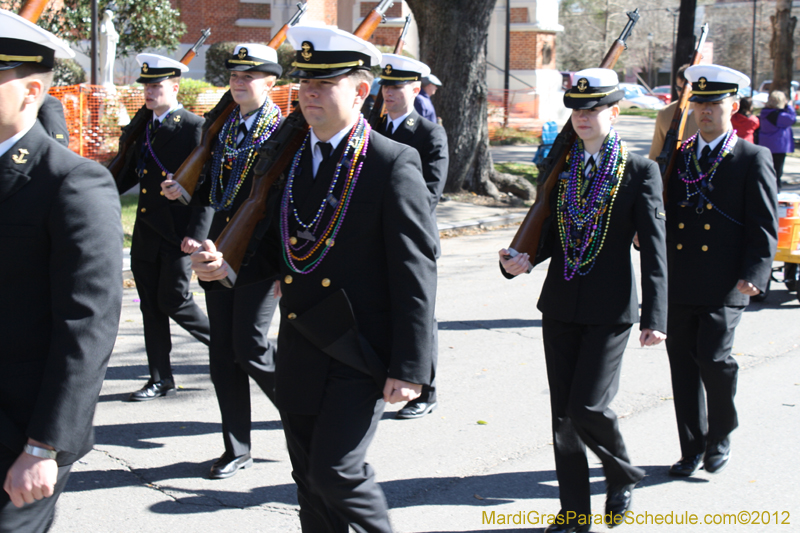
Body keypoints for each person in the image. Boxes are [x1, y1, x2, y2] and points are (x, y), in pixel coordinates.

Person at [188, 26, 437, 532]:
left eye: (325, 84)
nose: (310, 94)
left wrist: (412, 365)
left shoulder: (392, 162)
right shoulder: (292, 159)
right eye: (305, 84)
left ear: (360, 91)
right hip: (302, 341)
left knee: (337, 474)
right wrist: (226, 267)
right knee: (308, 481)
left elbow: (416, 271)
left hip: (359, 348)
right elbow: (278, 246)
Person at [499, 68, 668, 532]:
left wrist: (655, 316)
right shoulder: (564, 168)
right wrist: (522, 260)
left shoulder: (639, 171)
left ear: (614, 112)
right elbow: (552, 232)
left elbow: (654, 248)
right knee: (562, 417)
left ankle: (621, 471)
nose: (583, 117)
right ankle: (574, 513)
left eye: (593, 109)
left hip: (611, 309)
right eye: (577, 109)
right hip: (560, 305)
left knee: (588, 406)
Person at [0, 10, 123, 532]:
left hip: (20, 432)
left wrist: (44, 444)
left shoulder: (73, 182)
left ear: (31, 92)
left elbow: (87, 324)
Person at [162, 43, 284, 479]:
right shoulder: (224, 127)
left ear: (271, 82)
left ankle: (300, 410)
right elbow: (217, 191)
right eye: (234, 75)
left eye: (248, 76)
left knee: (249, 346)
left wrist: (283, 268)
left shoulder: (283, 131)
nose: (238, 82)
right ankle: (237, 447)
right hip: (217, 251)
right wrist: (190, 205)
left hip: (258, 256)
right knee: (222, 355)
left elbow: (281, 204)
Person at [664, 65, 777, 478]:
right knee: (683, 366)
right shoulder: (677, 155)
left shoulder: (752, 156)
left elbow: (763, 225)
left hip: (727, 280)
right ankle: (691, 449)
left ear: (733, 106)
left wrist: (756, 273)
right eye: (700, 103)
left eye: (714, 103)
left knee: (714, 360)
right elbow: (663, 210)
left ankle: (721, 433)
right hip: (680, 280)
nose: (706, 111)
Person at [118, 53, 213, 402]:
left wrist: (198, 233)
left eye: (157, 86)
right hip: (146, 230)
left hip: (177, 232)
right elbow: (129, 171)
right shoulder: (143, 125)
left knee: (174, 299)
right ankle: (160, 378)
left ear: (174, 87)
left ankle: (228, 348)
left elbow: (207, 184)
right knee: (151, 307)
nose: (150, 92)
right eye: (147, 86)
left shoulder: (193, 126)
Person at [377, 53, 448, 419]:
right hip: (374, 238)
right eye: (385, 85)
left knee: (419, 313)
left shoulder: (429, 133)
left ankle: (427, 389)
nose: (389, 92)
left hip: (411, 237)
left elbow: (431, 192)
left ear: (416, 89)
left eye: (397, 86)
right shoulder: (372, 127)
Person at [649, 64, 698, 161]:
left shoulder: (707, 112)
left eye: (688, 89)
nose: (683, 93)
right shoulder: (665, 112)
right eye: (679, 89)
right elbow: (656, 151)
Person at [758, 90, 796, 190]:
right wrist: (789, 106)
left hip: (766, 145)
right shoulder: (778, 116)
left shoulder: (765, 112)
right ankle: (775, 191)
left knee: (767, 170)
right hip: (778, 147)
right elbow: (792, 119)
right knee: (777, 173)